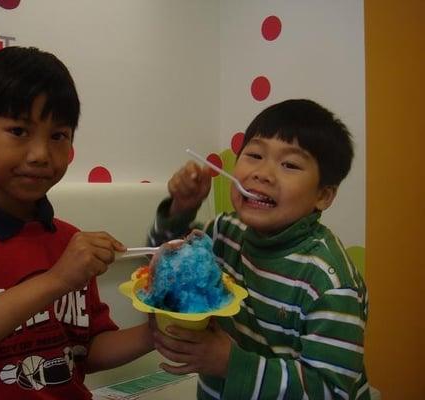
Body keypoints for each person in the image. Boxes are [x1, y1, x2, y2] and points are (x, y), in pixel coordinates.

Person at [0, 46, 154, 399]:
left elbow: (86, 349)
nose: (40, 155)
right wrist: (56, 280)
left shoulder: (68, 240)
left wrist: (155, 335)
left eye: (58, 136)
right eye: (19, 131)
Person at [148, 99, 370, 399]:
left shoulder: (330, 283)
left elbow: (330, 391)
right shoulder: (225, 231)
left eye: (289, 164)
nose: (263, 173)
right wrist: (180, 210)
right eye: (254, 155)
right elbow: (160, 262)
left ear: (324, 195)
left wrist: (229, 363)